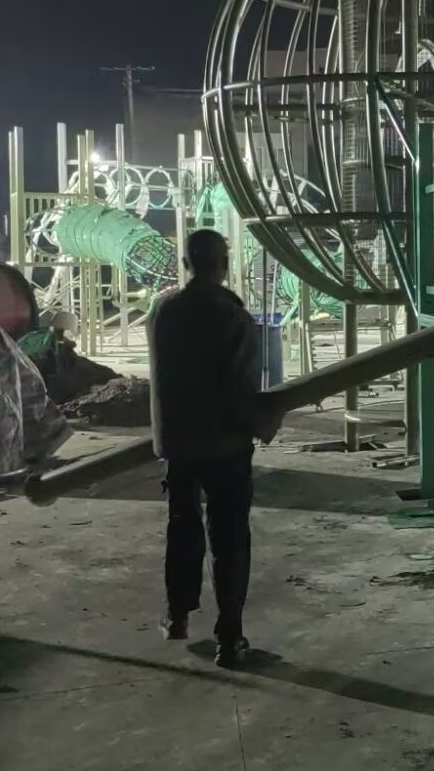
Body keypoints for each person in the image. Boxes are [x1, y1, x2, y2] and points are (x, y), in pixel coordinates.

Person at [149, 229, 280, 667]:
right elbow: (237, 388)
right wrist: (264, 423)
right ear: (224, 264)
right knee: (229, 538)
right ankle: (230, 635)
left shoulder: (163, 311)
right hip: (224, 444)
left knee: (183, 528)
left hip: (179, 444)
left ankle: (177, 615)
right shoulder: (230, 316)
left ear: (186, 263)